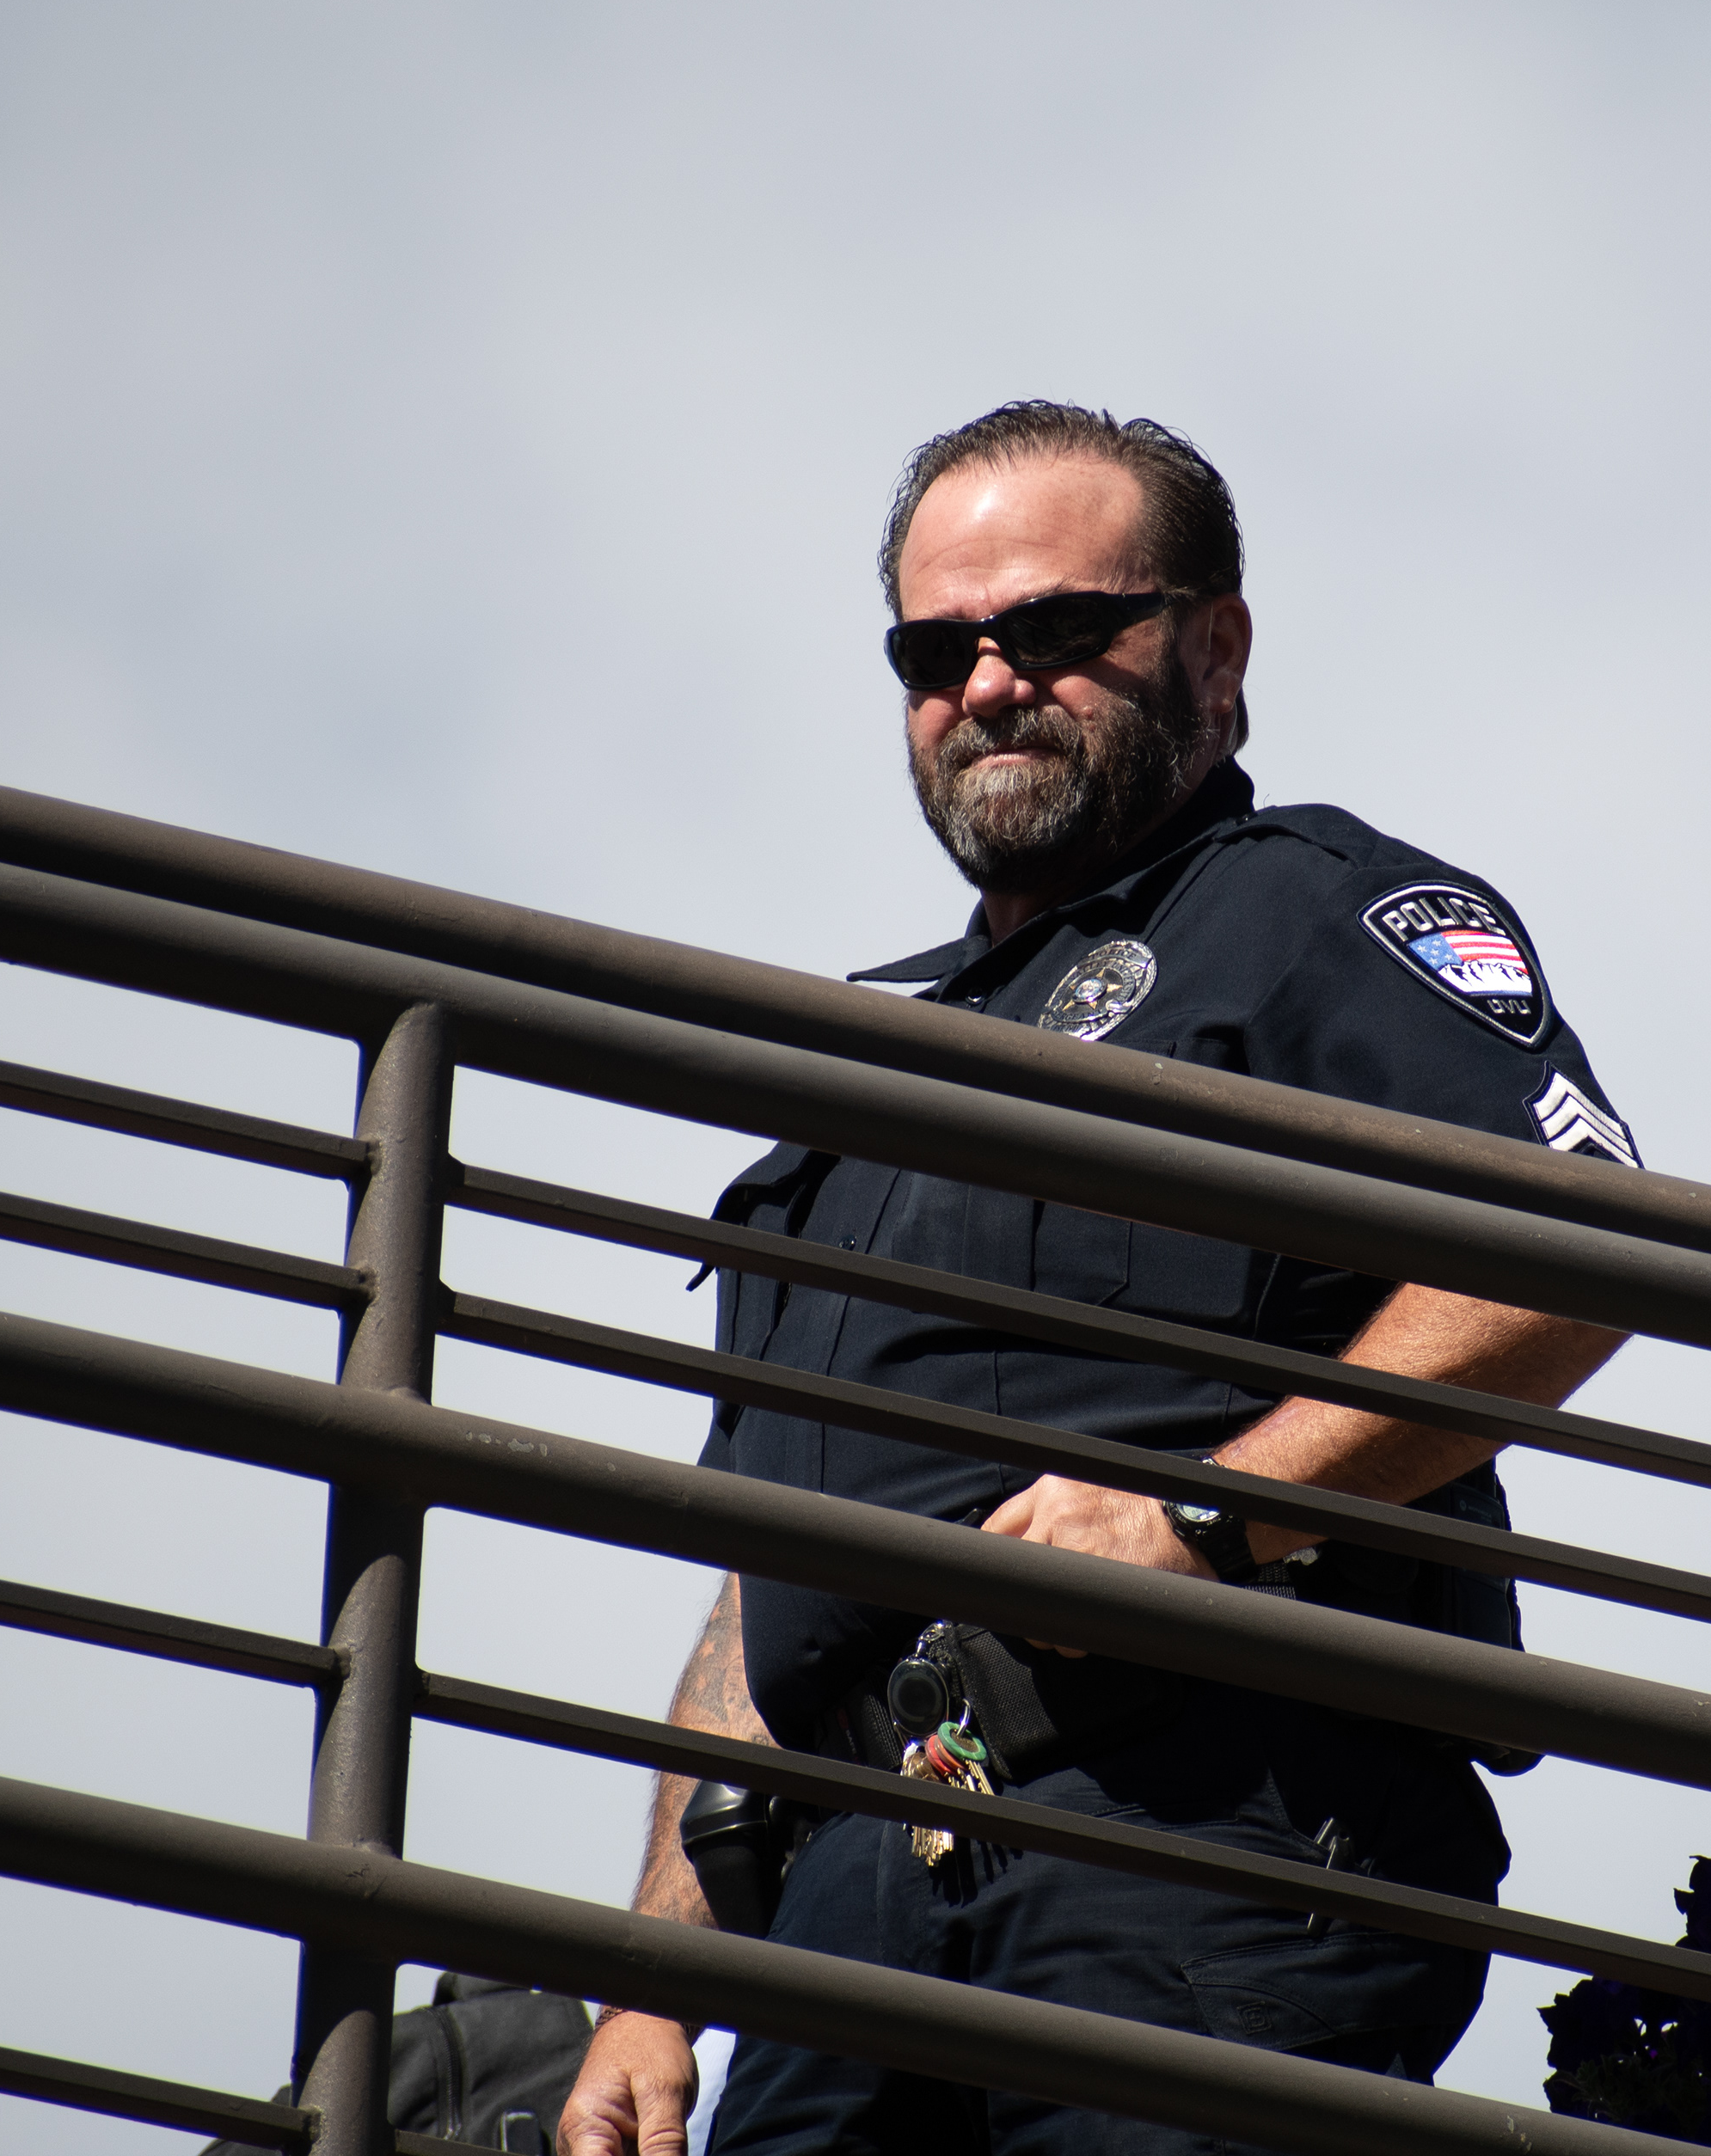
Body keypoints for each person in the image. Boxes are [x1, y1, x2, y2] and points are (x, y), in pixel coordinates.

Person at [560, 402, 1637, 2156]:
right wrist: (648, 1979)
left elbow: (1579, 1240)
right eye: (938, 646)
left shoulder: (1306, 913)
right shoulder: (849, 1096)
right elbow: (759, 1596)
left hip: (1200, 1842)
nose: (989, 682)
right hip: (843, 1908)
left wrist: (1208, 1516)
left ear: (1215, 649)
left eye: (1058, 630)